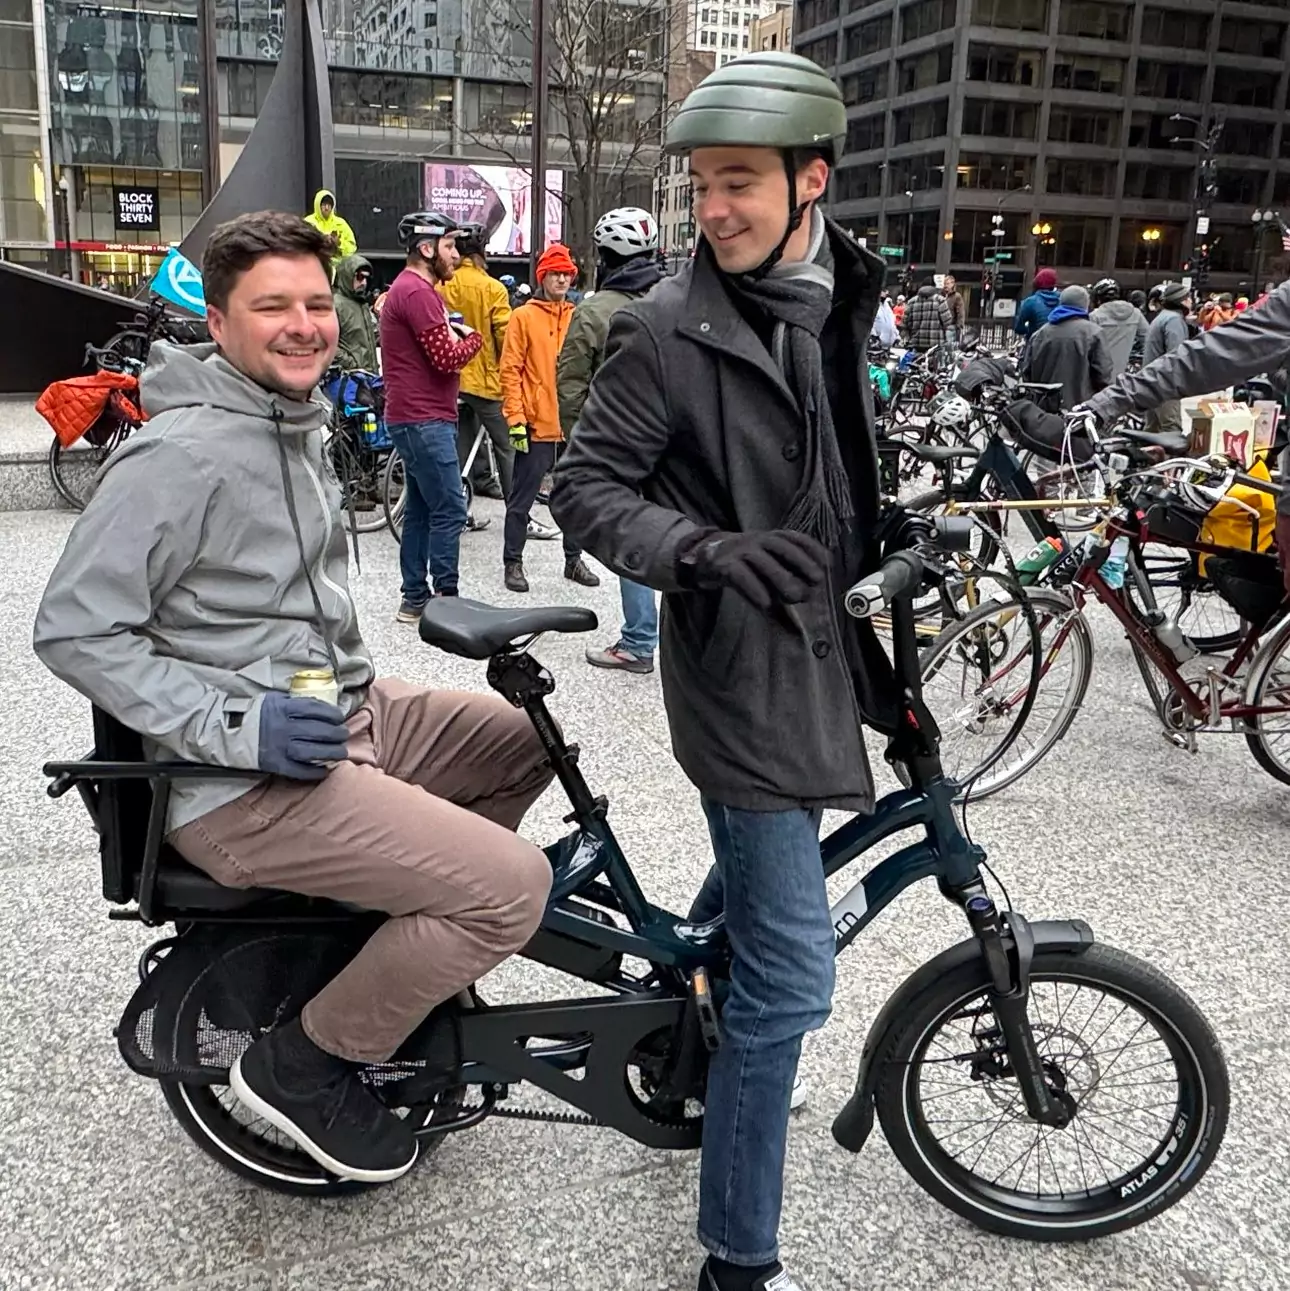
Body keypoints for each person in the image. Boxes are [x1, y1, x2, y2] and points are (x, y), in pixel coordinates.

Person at [32, 209, 553, 1187]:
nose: (304, 323)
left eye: (316, 302)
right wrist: (242, 724)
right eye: (273, 305)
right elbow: (74, 628)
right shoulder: (178, 456)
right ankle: (305, 1063)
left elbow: (272, 614)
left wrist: (344, 698)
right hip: (243, 783)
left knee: (527, 739)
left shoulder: (290, 424)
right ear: (220, 326)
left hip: (338, 723)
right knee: (514, 886)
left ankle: (399, 940)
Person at [551, 52, 896, 1291]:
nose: (713, 211)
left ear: (814, 181)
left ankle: (701, 1015)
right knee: (792, 980)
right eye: (702, 185)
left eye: (738, 183)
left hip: (829, 658)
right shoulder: (663, 333)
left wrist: (893, 531)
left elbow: (840, 460)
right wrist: (699, 551)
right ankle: (736, 1261)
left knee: (751, 922)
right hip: (743, 680)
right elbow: (583, 491)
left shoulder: (842, 299)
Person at [1082, 275, 1290, 585]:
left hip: (1155, 393)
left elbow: (1205, 355)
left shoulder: (1151, 319)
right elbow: (1205, 354)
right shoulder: (1161, 320)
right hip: (1157, 392)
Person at [556, 206, 665, 673]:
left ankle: (639, 641)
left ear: (604, 256)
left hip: (620, 447)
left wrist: (582, 444)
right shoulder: (673, 300)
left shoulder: (595, 311)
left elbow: (571, 384)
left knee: (630, 540)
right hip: (676, 443)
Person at [379, 210, 483, 616]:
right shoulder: (418, 293)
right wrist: (472, 337)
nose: (456, 255)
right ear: (426, 249)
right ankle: (446, 601)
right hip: (424, 419)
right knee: (451, 509)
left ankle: (414, 599)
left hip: (412, 416)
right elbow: (446, 358)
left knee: (422, 509)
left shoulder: (409, 290)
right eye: (449, 246)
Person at [499, 243, 600, 594]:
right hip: (536, 422)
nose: (561, 278)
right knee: (521, 497)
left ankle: (573, 560)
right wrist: (515, 417)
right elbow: (510, 369)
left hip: (572, 424)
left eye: (566, 273)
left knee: (573, 496)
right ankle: (513, 562)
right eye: (555, 272)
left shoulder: (578, 316)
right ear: (543, 276)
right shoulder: (523, 317)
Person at [437, 221, 516, 506]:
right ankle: (518, 512)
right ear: (482, 251)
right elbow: (506, 338)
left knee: (461, 443)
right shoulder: (494, 289)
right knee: (507, 446)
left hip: (451, 379)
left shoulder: (440, 284)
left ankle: (459, 503)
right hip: (484, 381)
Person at [1019, 284, 1113, 408]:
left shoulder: (1039, 334)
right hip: (1080, 410)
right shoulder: (1094, 333)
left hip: (1043, 410)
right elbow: (1103, 375)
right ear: (1085, 305)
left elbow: (1027, 372)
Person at [1089, 277, 1147, 379]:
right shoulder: (1135, 313)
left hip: (1100, 372)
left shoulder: (1095, 316)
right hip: (1123, 373)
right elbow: (1148, 338)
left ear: (1098, 298)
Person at [331, 253, 378, 372]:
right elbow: (327, 344)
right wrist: (351, 365)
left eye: (366, 278)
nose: (364, 283)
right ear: (348, 276)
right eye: (359, 277)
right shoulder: (335, 305)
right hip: (347, 380)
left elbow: (374, 336)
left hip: (368, 378)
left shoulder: (362, 305)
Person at [900, 274, 954, 351]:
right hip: (935, 345)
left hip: (916, 344)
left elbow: (904, 323)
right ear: (934, 286)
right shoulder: (940, 300)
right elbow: (947, 321)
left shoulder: (912, 302)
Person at [303, 189, 357, 265]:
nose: (327, 208)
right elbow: (302, 244)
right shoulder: (309, 222)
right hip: (316, 264)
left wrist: (339, 244)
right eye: (324, 205)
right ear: (318, 205)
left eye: (329, 205)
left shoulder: (340, 223)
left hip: (338, 265)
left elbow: (352, 246)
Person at [1013, 268, 1060, 339]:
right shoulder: (1063, 300)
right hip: (1059, 344)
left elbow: (1019, 328)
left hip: (1036, 343)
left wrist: (1029, 330)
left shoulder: (1030, 302)